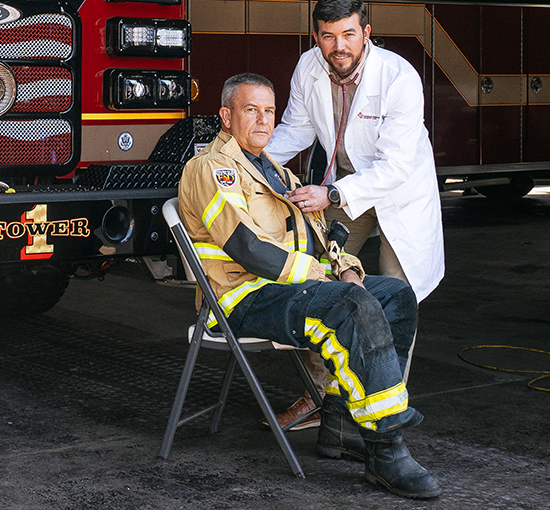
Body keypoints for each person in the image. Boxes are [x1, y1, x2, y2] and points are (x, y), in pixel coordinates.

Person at [177, 73, 440, 499]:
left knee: (395, 294)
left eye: (269, 111)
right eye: (250, 110)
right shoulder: (211, 169)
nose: (263, 120)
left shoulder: (277, 172)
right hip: (241, 298)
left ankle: (337, 423)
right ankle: (386, 445)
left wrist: (348, 268)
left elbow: (319, 235)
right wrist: (327, 278)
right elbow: (249, 249)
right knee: (350, 307)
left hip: (284, 287)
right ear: (226, 117)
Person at [266, 0, 445, 431]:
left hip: (397, 193)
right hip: (346, 190)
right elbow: (295, 129)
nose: (338, 46)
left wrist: (333, 194)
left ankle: (384, 413)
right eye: (328, 36)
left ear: (366, 33)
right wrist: (244, 161)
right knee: (319, 281)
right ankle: (319, 398)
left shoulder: (398, 77)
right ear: (316, 37)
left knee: (395, 298)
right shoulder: (310, 67)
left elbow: (397, 165)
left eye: (348, 34)